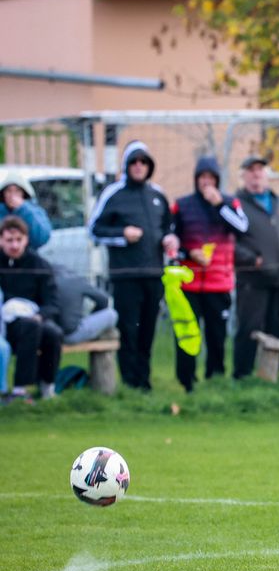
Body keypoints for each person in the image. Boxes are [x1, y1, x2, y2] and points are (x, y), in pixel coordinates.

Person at [87, 141, 179, 390]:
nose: (139, 166)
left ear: (149, 166)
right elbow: (94, 231)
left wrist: (170, 239)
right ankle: (129, 382)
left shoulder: (157, 195)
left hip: (153, 274)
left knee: (148, 330)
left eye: (143, 162)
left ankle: (144, 381)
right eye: (134, 162)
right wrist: (121, 234)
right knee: (129, 329)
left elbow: (169, 228)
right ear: (126, 166)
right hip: (125, 275)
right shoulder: (113, 194)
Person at [170, 156, 249, 392]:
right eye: (202, 178)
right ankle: (187, 381)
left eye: (211, 178)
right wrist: (189, 253)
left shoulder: (229, 203)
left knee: (217, 335)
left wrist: (219, 206)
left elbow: (243, 229)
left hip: (219, 283)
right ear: (196, 179)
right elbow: (171, 241)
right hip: (188, 284)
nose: (206, 182)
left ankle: (215, 378)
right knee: (187, 334)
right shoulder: (181, 205)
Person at [231, 156, 279, 380]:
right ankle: (242, 375)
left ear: (266, 174)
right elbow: (229, 242)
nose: (256, 174)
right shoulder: (236, 204)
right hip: (253, 282)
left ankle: (271, 375)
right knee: (249, 329)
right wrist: (252, 260)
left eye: (260, 170)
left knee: (278, 328)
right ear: (243, 175)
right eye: (251, 170)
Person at [1, 215, 62, 400]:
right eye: (9, 240)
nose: (14, 245)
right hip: (6, 324)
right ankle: (21, 389)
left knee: (53, 333)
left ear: (26, 240)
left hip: (35, 318)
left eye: (18, 240)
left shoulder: (39, 265)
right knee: (31, 328)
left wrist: (40, 315)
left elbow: (52, 304)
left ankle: (47, 386)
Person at [52, 265, 117, 345]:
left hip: (49, 334)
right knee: (111, 314)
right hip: (70, 335)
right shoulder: (76, 280)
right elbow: (104, 300)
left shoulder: (46, 282)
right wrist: (93, 314)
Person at [0, 176, 52, 250]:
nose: (12, 195)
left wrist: (23, 209)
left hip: (27, 256)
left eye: (17, 191)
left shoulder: (34, 211)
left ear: (24, 193)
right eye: (8, 191)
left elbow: (41, 238)